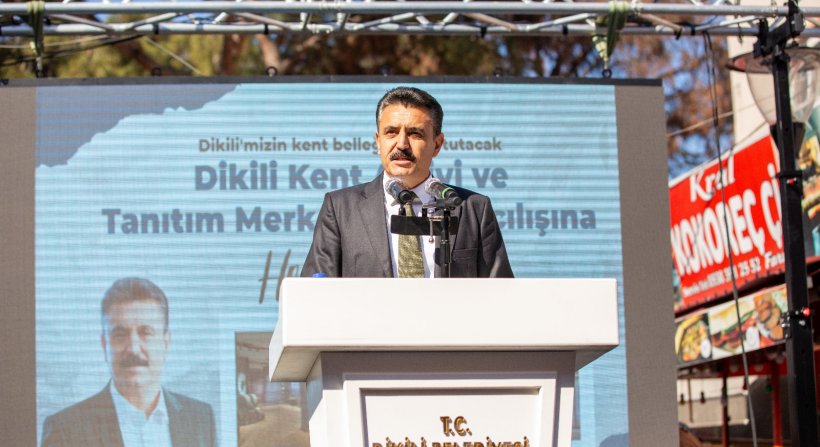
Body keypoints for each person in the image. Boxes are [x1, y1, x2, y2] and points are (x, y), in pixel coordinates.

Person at [302, 86, 513, 278]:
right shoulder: (340, 208)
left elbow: (502, 294)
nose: (402, 144)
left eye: (414, 134)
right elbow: (314, 294)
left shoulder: (474, 208)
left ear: (437, 144)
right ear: (378, 141)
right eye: (391, 132)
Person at [41, 277, 216, 447]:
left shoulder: (200, 419)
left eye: (145, 332)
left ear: (165, 343)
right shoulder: (66, 430)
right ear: (105, 345)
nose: (133, 348)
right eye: (120, 334)